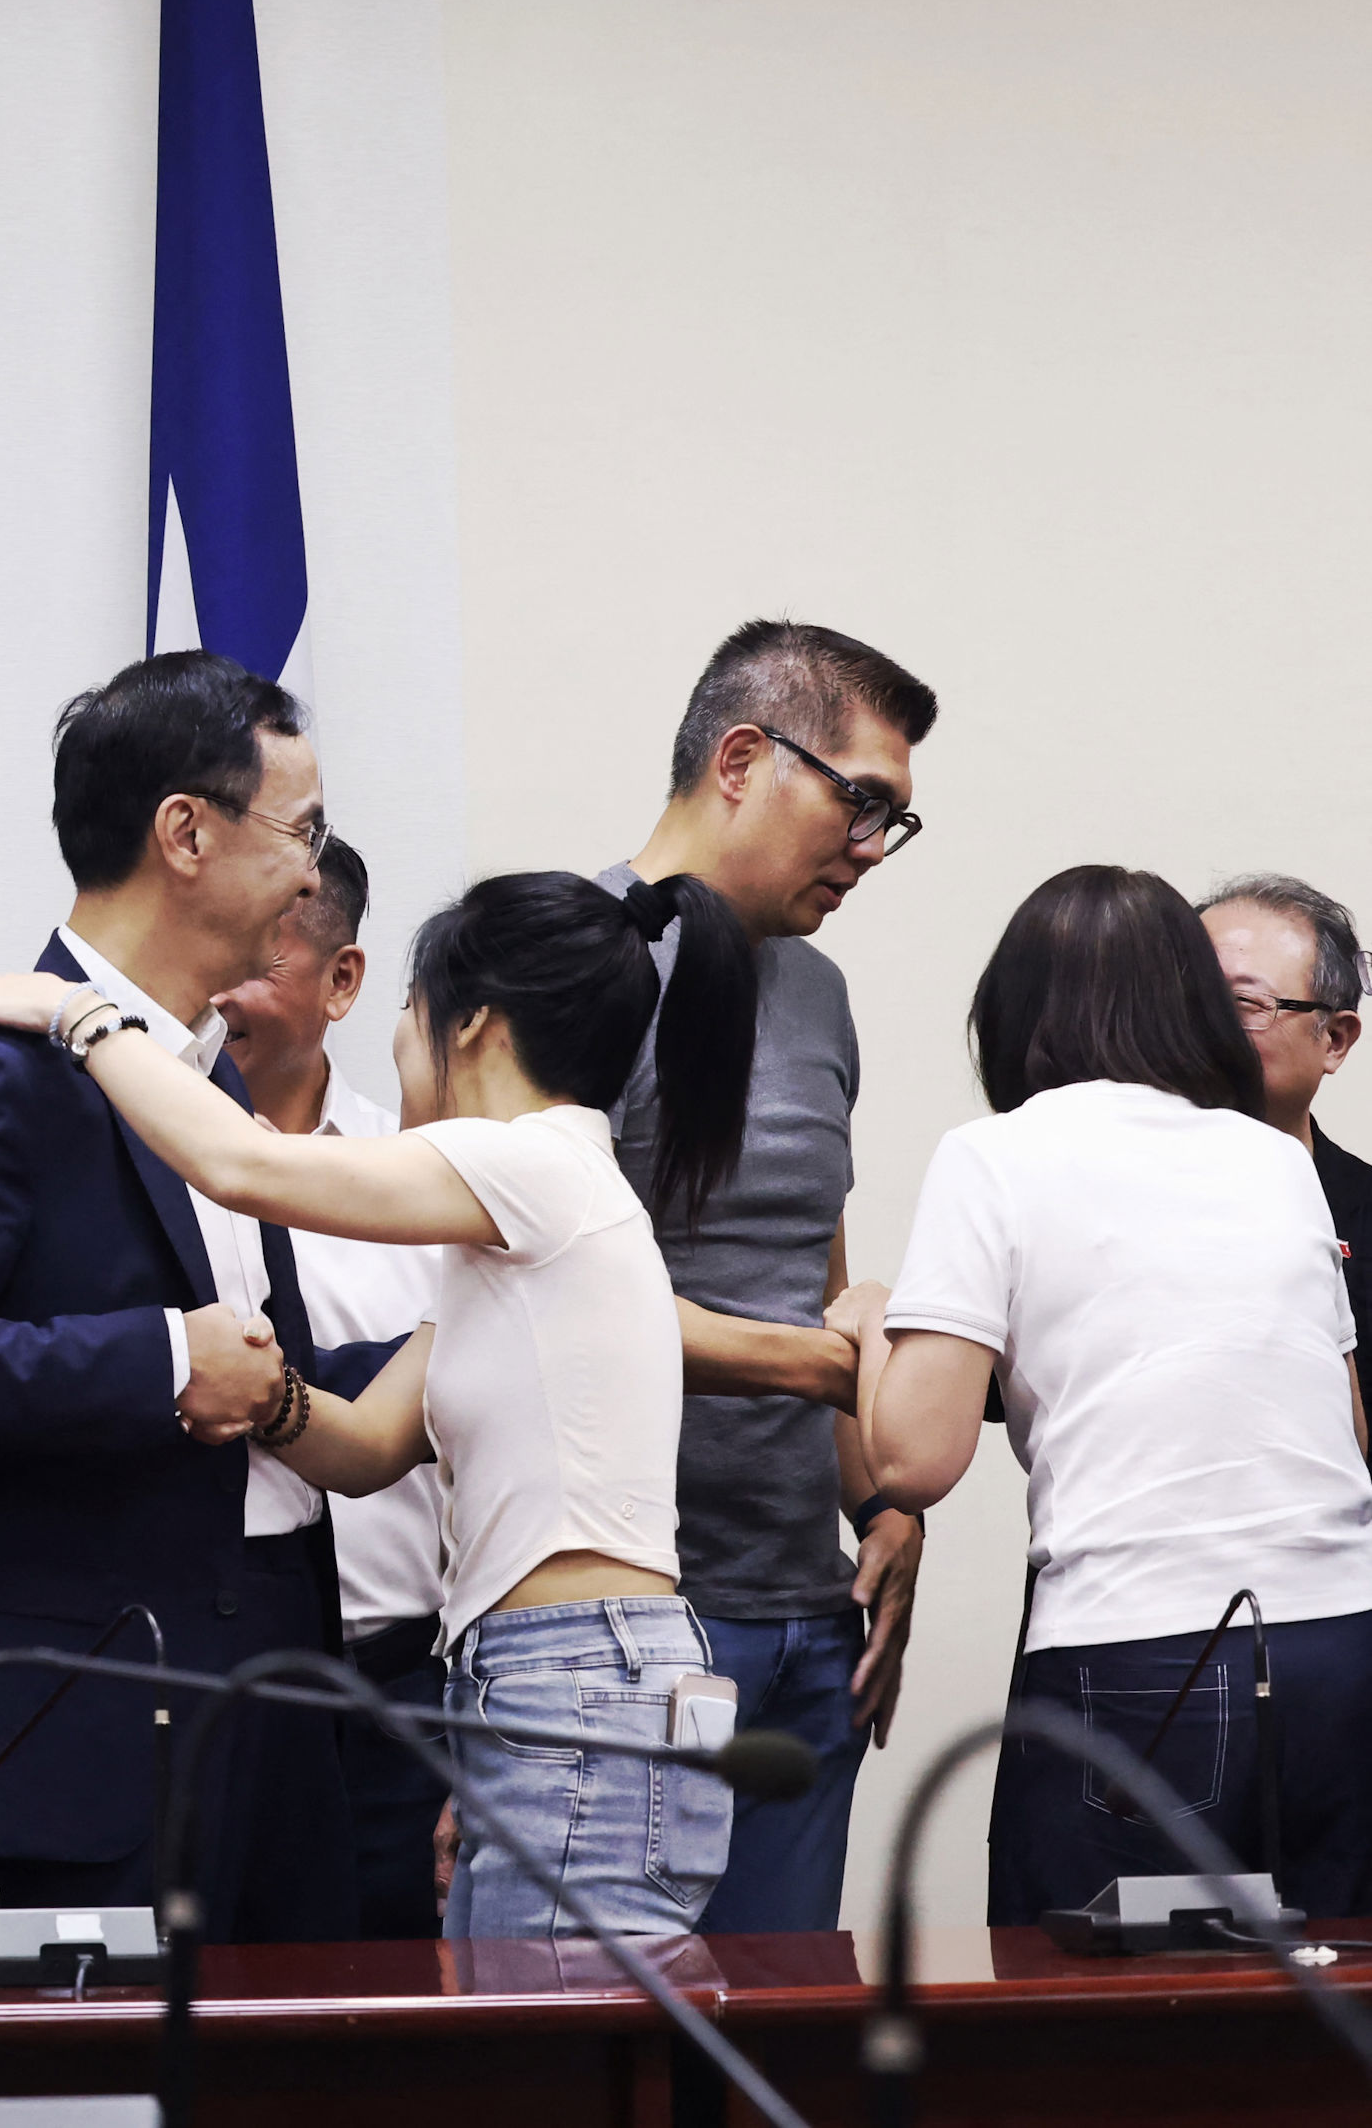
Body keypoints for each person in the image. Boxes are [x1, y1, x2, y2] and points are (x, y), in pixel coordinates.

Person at [0, 863, 843, 1938]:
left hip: (575, 1673)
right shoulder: (526, 1232)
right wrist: (260, 1390)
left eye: (409, 1019)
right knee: (547, 2036)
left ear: (474, 1027)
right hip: (561, 1674)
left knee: (551, 2045)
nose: (401, 1048)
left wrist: (83, 1013)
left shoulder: (527, 1163)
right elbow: (370, 1443)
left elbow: (239, 1163)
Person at [0, 651, 363, 1941]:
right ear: (185, 830)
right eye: (302, 830)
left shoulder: (207, 1079)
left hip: (281, 1703)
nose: (311, 872)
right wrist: (161, 1361)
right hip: (111, 1721)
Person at [849, 866, 1372, 1924]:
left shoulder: (994, 1155)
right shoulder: (1275, 1162)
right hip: (1341, 1645)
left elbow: (916, 1457)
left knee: (1102, 2029)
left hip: (1144, 1656)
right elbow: (1351, 1433)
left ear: (1011, 1011)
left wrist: (871, 1322)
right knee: (1322, 2019)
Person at [600, 618, 939, 1934]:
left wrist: (889, 1506)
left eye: (892, 822)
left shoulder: (818, 994)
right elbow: (535, 1309)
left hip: (807, 1620)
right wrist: (828, 1363)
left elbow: (817, 1270)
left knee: (786, 2060)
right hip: (633, 1631)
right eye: (858, 803)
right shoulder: (573, 962)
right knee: (619, 2068)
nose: (869, 848)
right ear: (739, 758)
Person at [207, 835, 453, 1939]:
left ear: (343, 980)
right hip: (230, 1689)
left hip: (404, 1689)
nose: (220, 993)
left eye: (257, 960)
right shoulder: (156, 1167)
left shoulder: (426, 1180)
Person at [1202, 875, 1372, 1358]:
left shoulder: (1363, 1211)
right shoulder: (1106, 1192)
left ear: (1335, 1040)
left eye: (1242, 1004)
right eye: (1187, 1003)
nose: (1203, 1030)